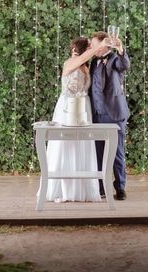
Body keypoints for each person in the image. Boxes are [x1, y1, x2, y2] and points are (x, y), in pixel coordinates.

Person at [44, 36, 111, 202]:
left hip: (83, 109)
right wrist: (99, 46)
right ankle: (62, 189)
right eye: (89, 47)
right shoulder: (70, 63)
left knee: (83, 146)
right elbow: (82, 58)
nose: (92, 49)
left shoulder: (86, 67)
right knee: (64, 146)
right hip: (67, 108)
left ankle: (83, 189)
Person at [89, 31, 130, 200]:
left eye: (94, 44)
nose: (91, 47)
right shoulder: (93, 61)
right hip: (97, 114)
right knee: (98, 153)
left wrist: (120, 49)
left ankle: (120, 188)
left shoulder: (114, 58)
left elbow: (124, 65)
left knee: (117, 153)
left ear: (104, 44)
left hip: (114, 113)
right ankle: (101, 188)